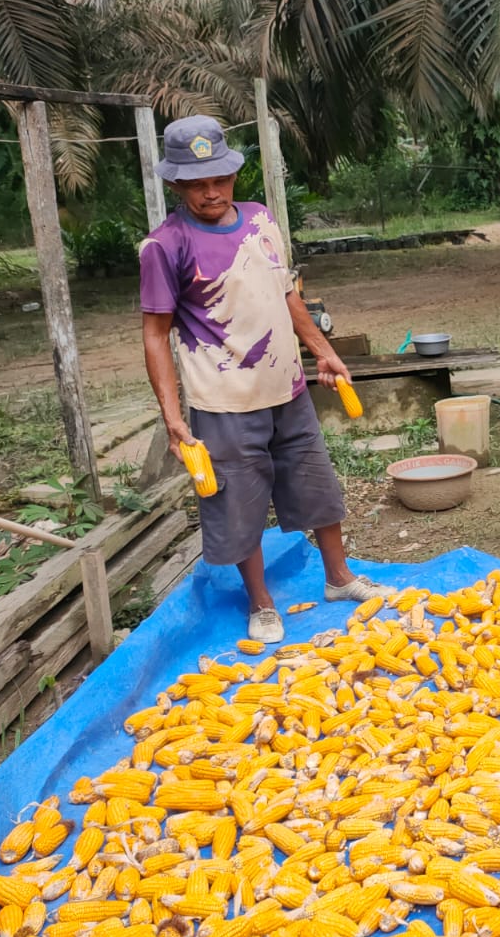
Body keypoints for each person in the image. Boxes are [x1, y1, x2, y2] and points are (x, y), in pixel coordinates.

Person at [139, 115, 390, 644]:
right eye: (196, 183)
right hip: (224, 400)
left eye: (219, 179)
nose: (210, 192)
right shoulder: (165, 246)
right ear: (176, 184)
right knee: (240, 501)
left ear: (233, 174)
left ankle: (339, 578)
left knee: (317, 486)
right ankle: (262, 603)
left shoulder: (260, 219)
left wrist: (322, 352)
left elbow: (287, 294)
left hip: (288, 387)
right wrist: (172, 416)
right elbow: (155, 334)